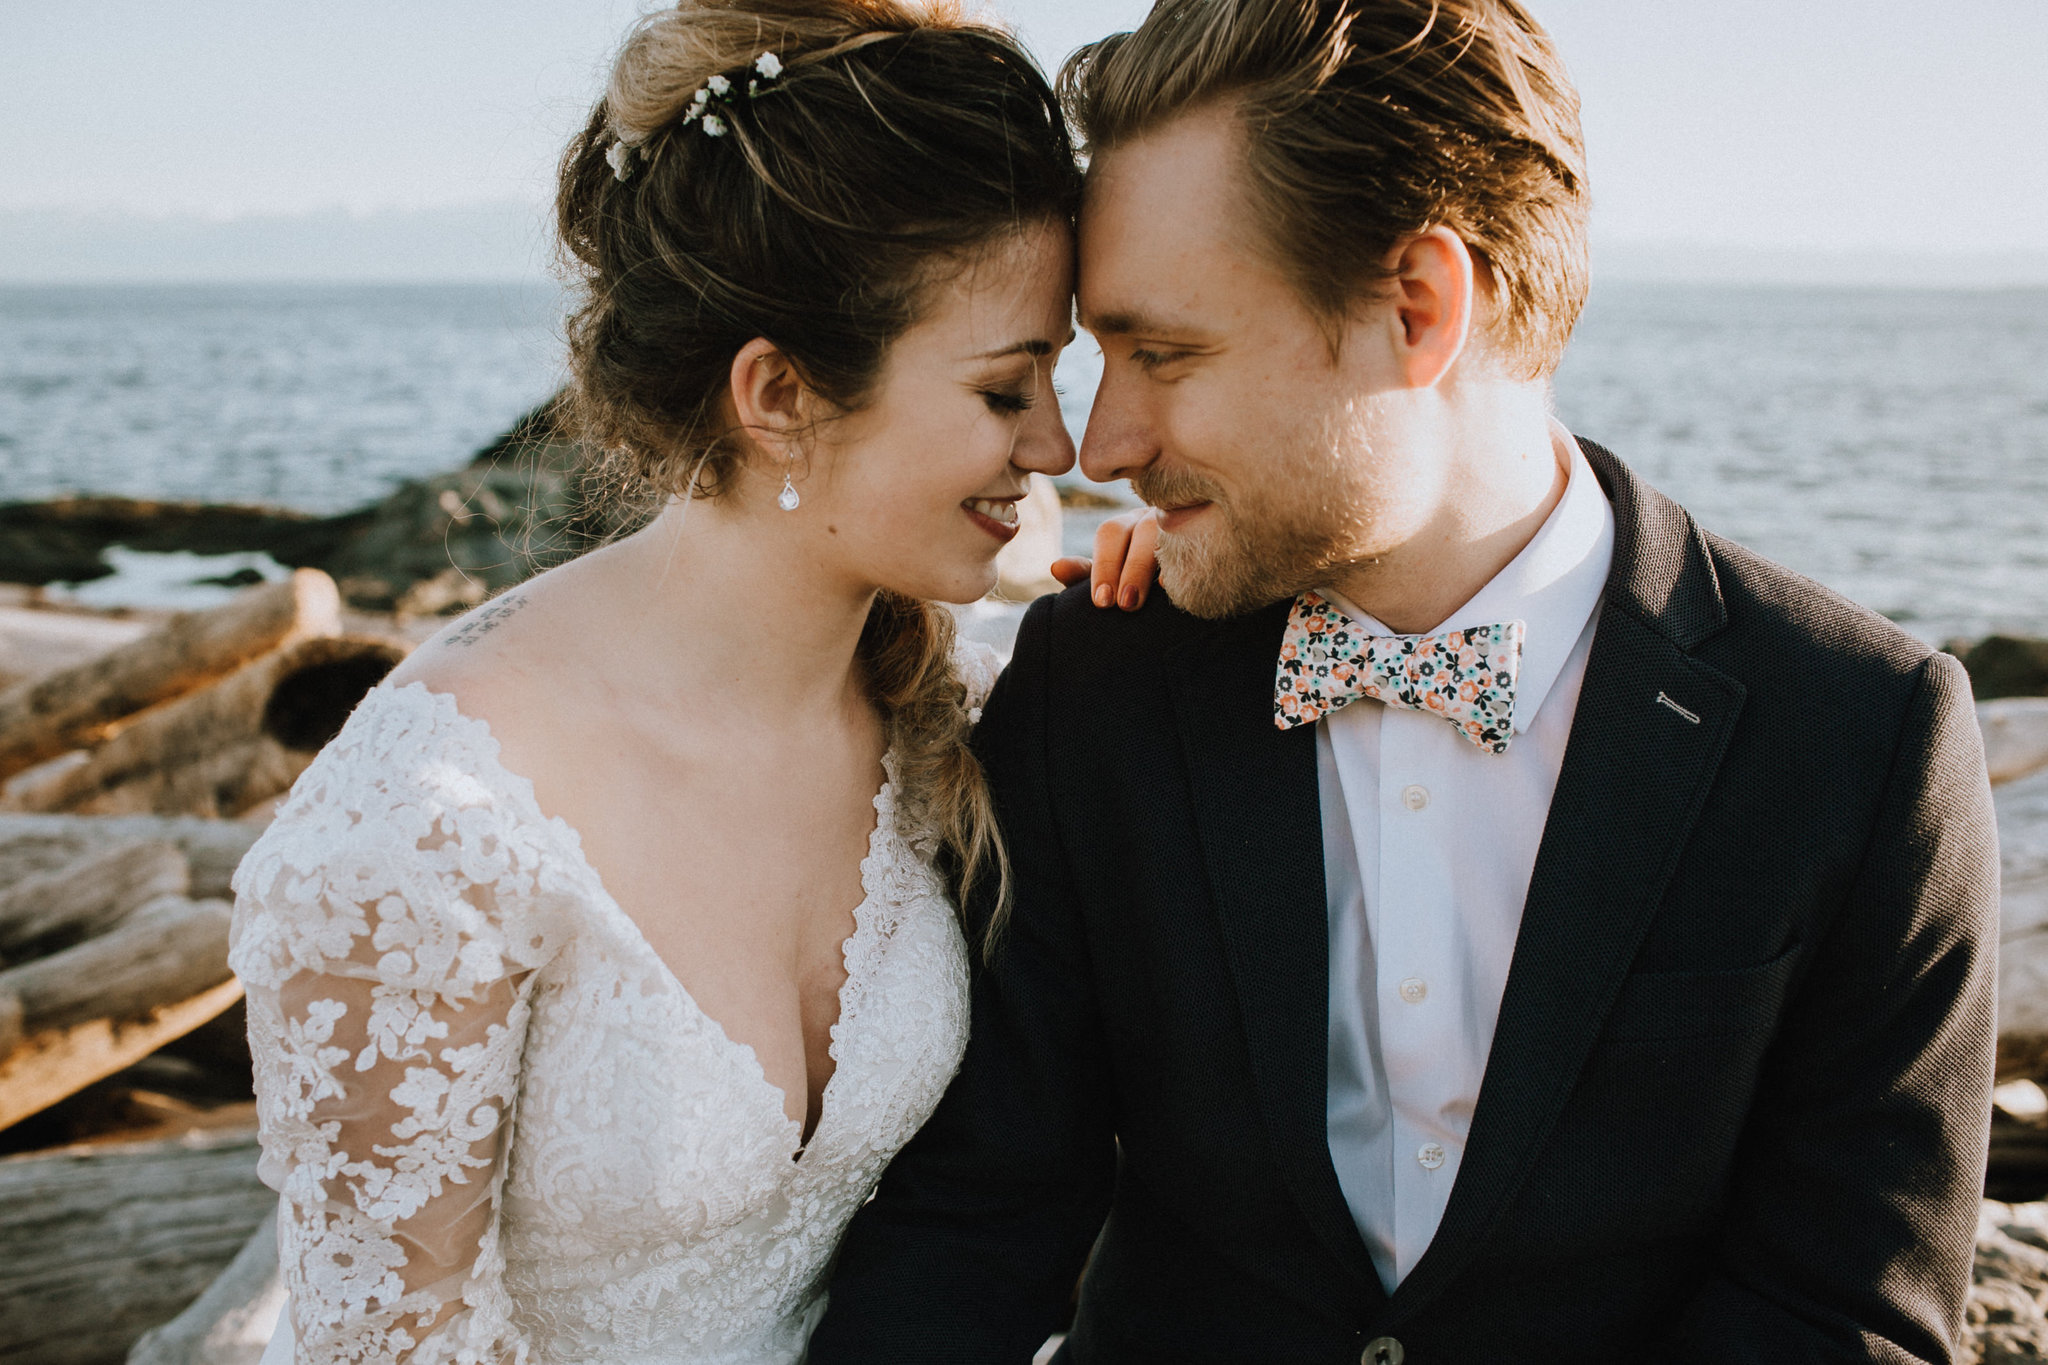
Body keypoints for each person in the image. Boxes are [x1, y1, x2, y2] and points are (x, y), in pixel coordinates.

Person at [810, 1, 2001, 1361]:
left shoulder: (1858, 734)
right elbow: (980, 1224)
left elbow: (1842, 1311)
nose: (1104, 440)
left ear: (1419, 307)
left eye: (1167, 352)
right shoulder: (1098, 685)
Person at [227, 2, 1086, 1360]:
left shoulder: (948, 717)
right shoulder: (429, 828)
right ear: (780, 395)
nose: (1058, 440)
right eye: (1004, 390)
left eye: (1059, 373)